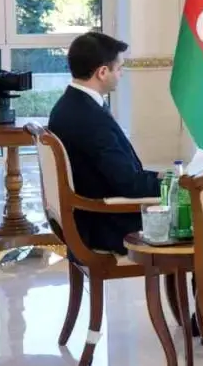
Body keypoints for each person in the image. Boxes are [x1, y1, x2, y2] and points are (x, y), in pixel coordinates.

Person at [47, 32, 160, 256]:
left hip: (88, 218)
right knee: (198, 217)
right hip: (107, 225)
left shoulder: (69, 105)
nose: (121, 74)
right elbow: (129, 184)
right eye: (119, 69)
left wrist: (159, 176)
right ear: (102, 72)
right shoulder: (91, 119)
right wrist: (178, 184)